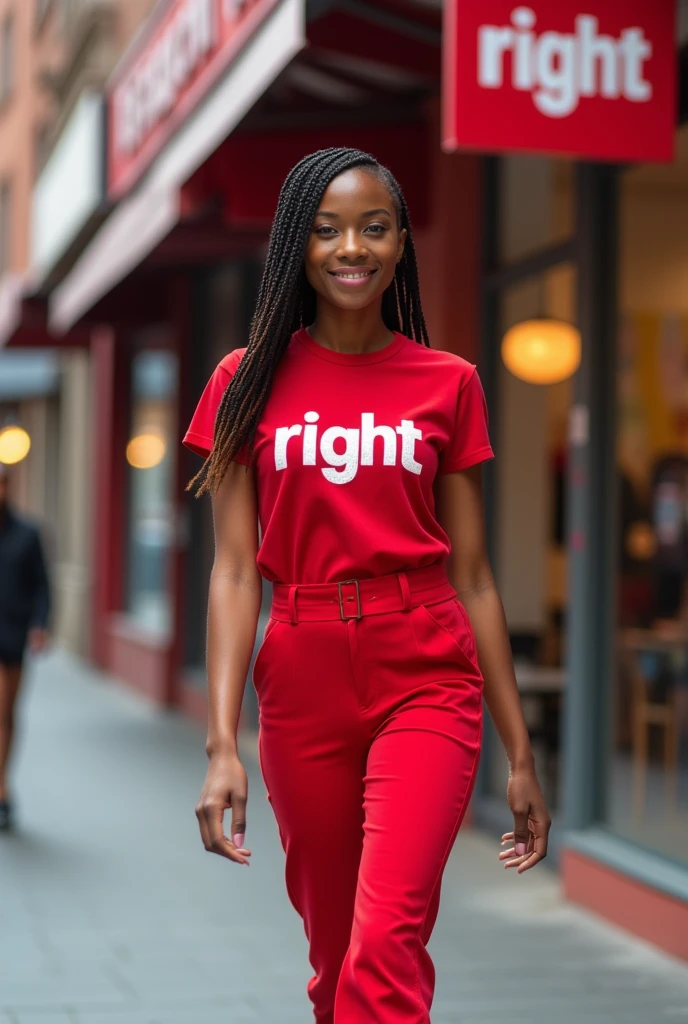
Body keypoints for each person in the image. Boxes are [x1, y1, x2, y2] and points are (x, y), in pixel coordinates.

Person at [183, 148, 551, 1023]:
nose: (353, 247)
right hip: (302, 668)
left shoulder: (448, 383)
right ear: (295, 247)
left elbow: (475, 577)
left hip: (426, 667)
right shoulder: (244, 383)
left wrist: (523, 755)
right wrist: (221, 743)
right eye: (328, 229)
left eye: (375, 227)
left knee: (384, 947)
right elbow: (235, 572)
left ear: (400, 244)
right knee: (333, 958)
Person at [0, 463, 50, 831]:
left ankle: (2, 788)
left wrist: (39, 626)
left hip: (13, 636)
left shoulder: (27, 534)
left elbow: (42, 586)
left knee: (7, 714)